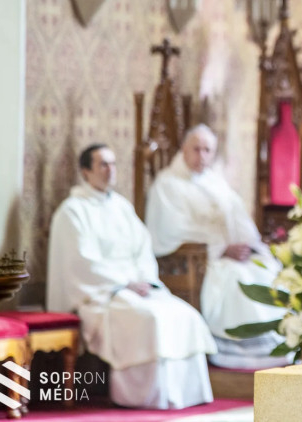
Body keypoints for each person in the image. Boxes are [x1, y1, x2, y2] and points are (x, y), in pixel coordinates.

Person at [47, 144, 216, 409]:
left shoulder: (121, 206)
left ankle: (183, 395)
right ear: (85, 171)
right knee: (150, 318)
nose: (111, 170)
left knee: (185, 314)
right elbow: (81, 263)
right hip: (102, 293)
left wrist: (144, 281)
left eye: (113, 164)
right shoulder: (72, 211)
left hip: (137, 287)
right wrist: (124, 283)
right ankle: (144, 396)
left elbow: (142, 249)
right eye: (103, 164)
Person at [145, 124, 287, 369]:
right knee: (238, 277)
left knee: (265, 268)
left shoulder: (214, 182)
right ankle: (240, 351)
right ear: (184, 149)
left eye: (207, 150)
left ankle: (275, 346)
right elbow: (171, 230)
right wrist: (221, 248)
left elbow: (239, 219)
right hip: (199, 260)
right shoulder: (167, 184)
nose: (201, 156)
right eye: (196, 149)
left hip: (227, 254)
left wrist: (247, 246)